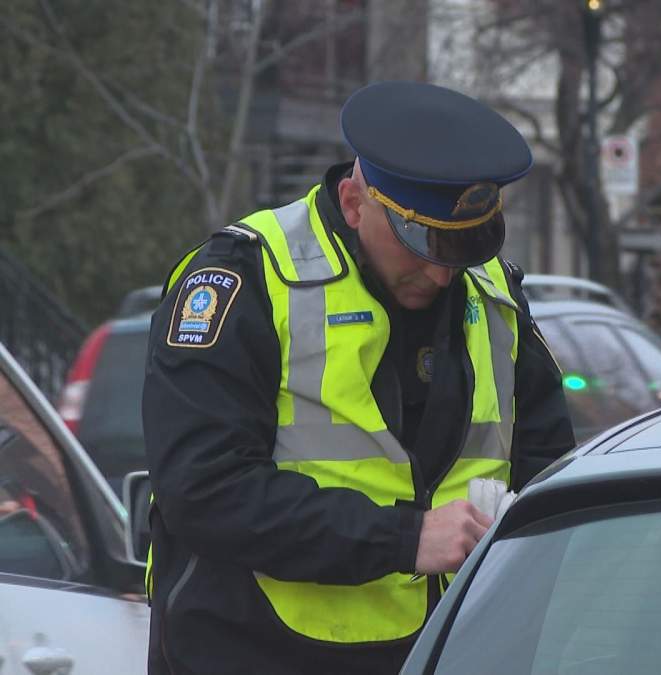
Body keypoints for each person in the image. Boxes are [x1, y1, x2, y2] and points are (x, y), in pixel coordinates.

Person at [141, 81, 576, 675]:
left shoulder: (491, 290)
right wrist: (405, 539)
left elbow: (547, 471)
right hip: (261, 654)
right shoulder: (242, 279)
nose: (441, 274)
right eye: (420, 243)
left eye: (460, 247)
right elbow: (204, 490)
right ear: (353, 202)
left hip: (451, 653)